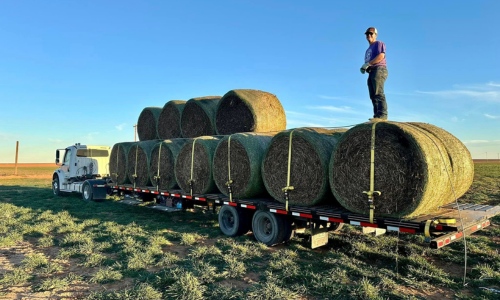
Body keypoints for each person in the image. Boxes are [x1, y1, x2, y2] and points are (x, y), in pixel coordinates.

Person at [360, 27, 388, 120]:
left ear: (375, 35)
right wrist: (365, 68)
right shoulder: (368, 50)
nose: (369, 35)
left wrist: (369, 63)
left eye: (371, 34)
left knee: (378, 93)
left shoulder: (378, 44)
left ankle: (382, 115)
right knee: (372, 95)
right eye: (367, 34)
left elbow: (381, 55)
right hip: (372, 71)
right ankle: (376, 116)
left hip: (379, 70)